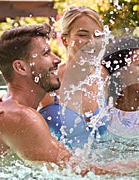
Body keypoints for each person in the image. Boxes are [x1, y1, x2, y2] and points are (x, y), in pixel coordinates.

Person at [0, 24, 139, 175]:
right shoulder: (23, 117)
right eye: (46, 53)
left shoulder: (11, 109)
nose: (56, 59)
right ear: (20, 67)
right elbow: (86, 173)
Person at [38, 6, 109, 147]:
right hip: (56, 167)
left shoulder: (103, 75)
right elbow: (13, 107)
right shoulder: (47, 80)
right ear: (65, 40)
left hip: (102, 163)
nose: (92, 42)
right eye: (83, 35)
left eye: (98, 35)